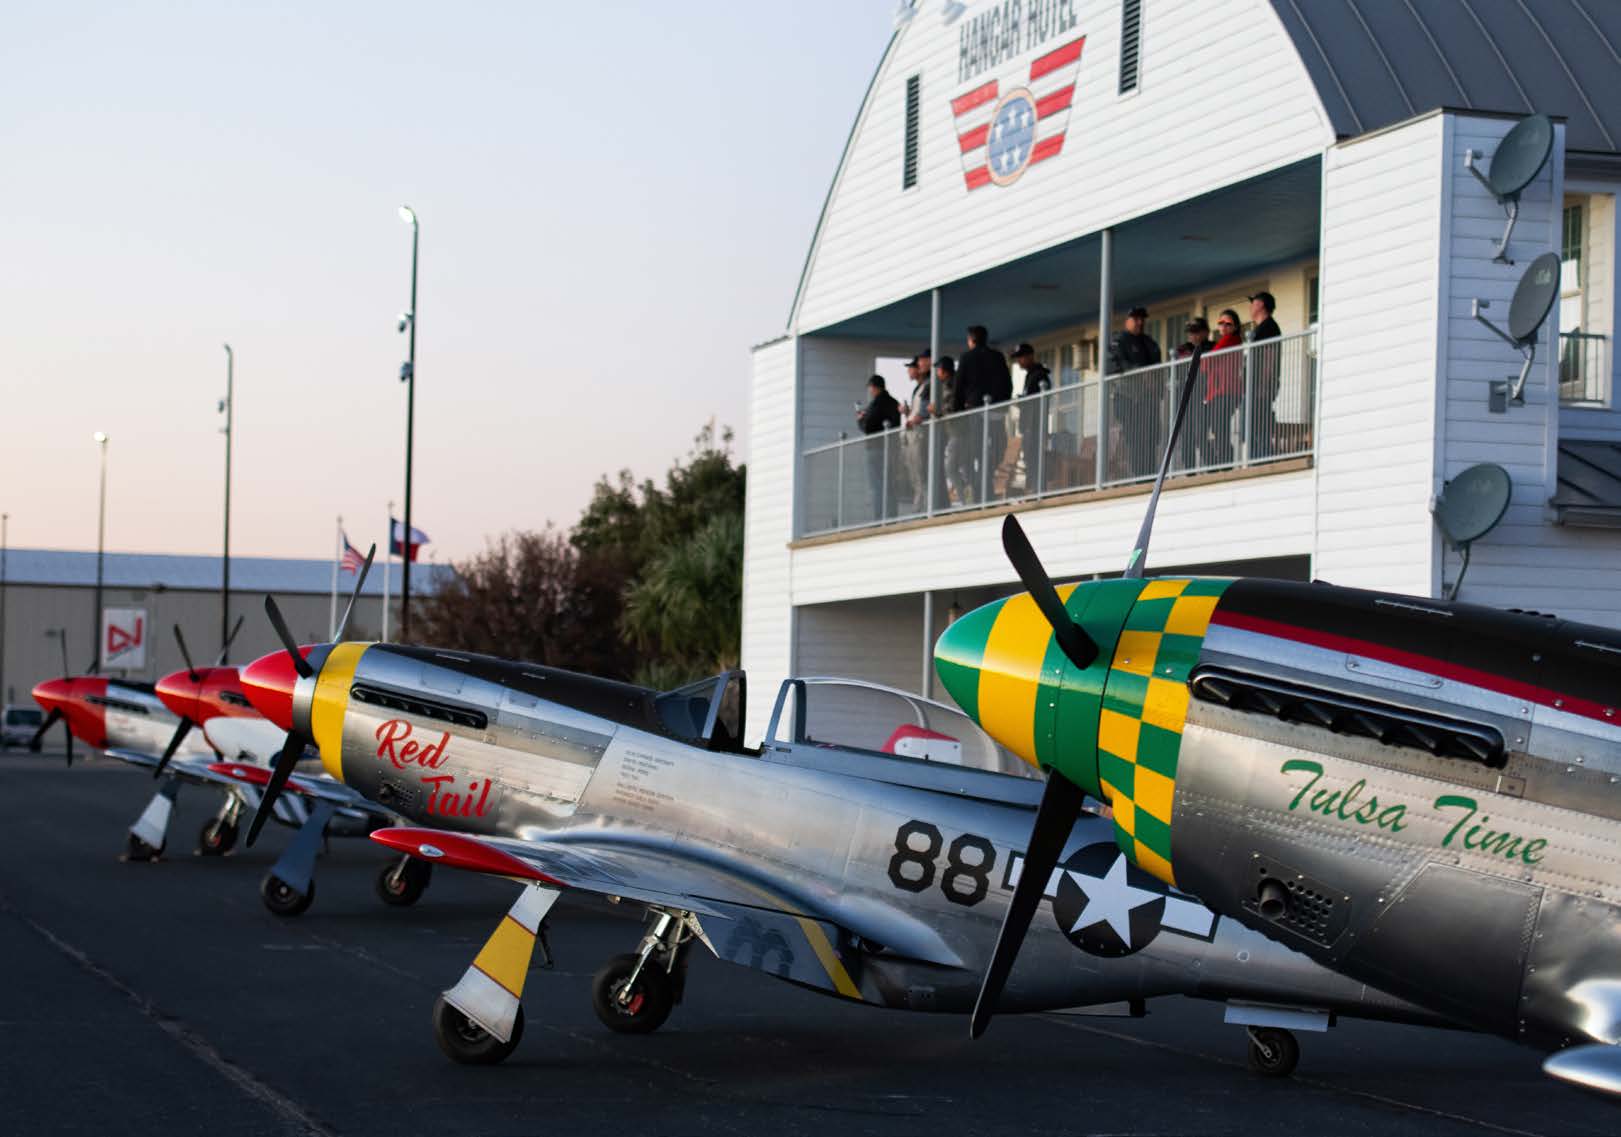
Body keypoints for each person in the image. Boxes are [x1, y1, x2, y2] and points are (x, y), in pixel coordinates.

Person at [954, 326, 1011, 502]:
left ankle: (980, 492)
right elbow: (1008, 384)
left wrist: (958, 412)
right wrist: (1003, 404)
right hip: (997, 412)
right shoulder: (998, 356)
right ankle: (986, 487)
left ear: (971, 340)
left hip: (975, 413)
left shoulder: (966, 358)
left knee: (976, 453)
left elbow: (958, 388)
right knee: (996, 451)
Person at [1108, 306, 1162, 479]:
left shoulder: (1149, 343)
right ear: (1127, 321)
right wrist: (1138, 371)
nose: (1140, 322)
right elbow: (1112, 366)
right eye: (1136, 319)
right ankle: (1140, 477)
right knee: (1135, 438)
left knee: (1151, 437)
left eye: (1142, 319)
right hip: (1128, 398)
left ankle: (1151, 476)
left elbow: (1158, 369)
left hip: (1148, 398)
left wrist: (1156, 385)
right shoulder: (1119, 341)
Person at [1201, 311, 1244, 467]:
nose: (1223, 326)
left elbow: (1206, 363)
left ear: (1235, 326)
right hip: (1218, 392)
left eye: (1228, 323)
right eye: (1221, 323)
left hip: (1226, 391)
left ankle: (1225, 465)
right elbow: (1207, 364)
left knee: (1220, 429)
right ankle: (1220, 464)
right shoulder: (1226, 340)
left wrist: (1206, 362)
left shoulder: (1231, 339)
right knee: (1217, 429)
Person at [855, 374, 900, 519]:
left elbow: (868, 427)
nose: (869, 391)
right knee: (890, 484)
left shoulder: (877, 404)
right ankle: (891, 515)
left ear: (874, 388)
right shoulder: (894, 402)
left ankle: (879, 517)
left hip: (876, 449)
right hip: (892, 448)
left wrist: (860, 420)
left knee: (877, 485)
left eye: (870, 388)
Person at [1011, 343, 1051, 494]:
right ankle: (1034, 487)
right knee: (1029, 458)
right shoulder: (1031, 375)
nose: (1019, 361)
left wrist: (1023, 401)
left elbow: (1038, 400)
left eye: (1021, 357)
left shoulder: (1039, 374)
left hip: (1035, 425)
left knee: (1035, 458)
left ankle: (1037, 488)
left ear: (1030, 356)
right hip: (1030, 425)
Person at [1247, 291, 1282, 460]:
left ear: (1260, 305)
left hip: (1261, 386)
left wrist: (1263, 384)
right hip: (1256, 385)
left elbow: (1269, 355)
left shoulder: (1268, 327)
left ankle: (1261, 457)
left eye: (1253, 302)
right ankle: (1257, 457)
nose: (1251, 306)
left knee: (1259, 422)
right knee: (1253, 423)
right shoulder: (1261, 328)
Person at [1174, 317, 1210, 471]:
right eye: (1190, 332)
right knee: (1187, 434)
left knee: (1202, 433)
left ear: (1205, 332)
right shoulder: (1181, 350)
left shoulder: (1211, 347)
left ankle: (1212, 467)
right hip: (1186, 398)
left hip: (1205, 395)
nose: (1192, 336)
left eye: (1196, 332)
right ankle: (1189, 470)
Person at [901, 355, 931, 514]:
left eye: (911, 367)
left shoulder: (928, 385)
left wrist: (918, 417)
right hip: (912, 436)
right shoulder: (917, 388)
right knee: (914, 474)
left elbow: (924, 413)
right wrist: (907, 413)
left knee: (921, 473)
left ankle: (924, 508)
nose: (909, 371)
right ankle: (919, 506)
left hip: (919, 436)